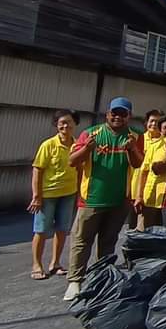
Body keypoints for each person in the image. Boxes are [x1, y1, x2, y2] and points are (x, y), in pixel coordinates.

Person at [63, 97, 142, 301]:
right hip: (91, 198)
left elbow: (137, 164)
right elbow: (72, 161)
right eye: (114, 113)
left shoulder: (135, 136)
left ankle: (101, 278)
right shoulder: (90, 134)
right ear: (107, 114)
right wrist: (87, 148)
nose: (118, 117)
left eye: (123, 114)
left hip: (119, 200)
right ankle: (75, 280)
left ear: (129, 116)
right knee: (81, 241)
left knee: (108, 242)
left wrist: (132, 148)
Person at [28, 110, 78, 280]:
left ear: (75, 124)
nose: (65, 126)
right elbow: (37, 170)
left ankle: (55, 263)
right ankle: (37, 264)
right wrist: (36, 195)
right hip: (48, 194)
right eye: (61, 123)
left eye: (69, 122)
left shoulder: (77, 145)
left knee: (63, 229)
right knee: (41, 230)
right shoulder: (48, 145)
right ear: (56, 125)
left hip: (69, 193)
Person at [135, 115, 166, 228]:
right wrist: (139, 196)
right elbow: (144, 172)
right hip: (151, 197)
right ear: (160, 130)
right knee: (147, 232)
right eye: (165, 127)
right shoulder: (154, 146)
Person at [129, 109, 164, 229]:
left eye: (157, 122)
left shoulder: (165, 142)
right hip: (135, 188)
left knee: (151, 226)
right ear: (146, 122)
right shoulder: (139, 139)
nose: (154, 124)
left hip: (155, 190)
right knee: (133, 225)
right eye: (152, 121)